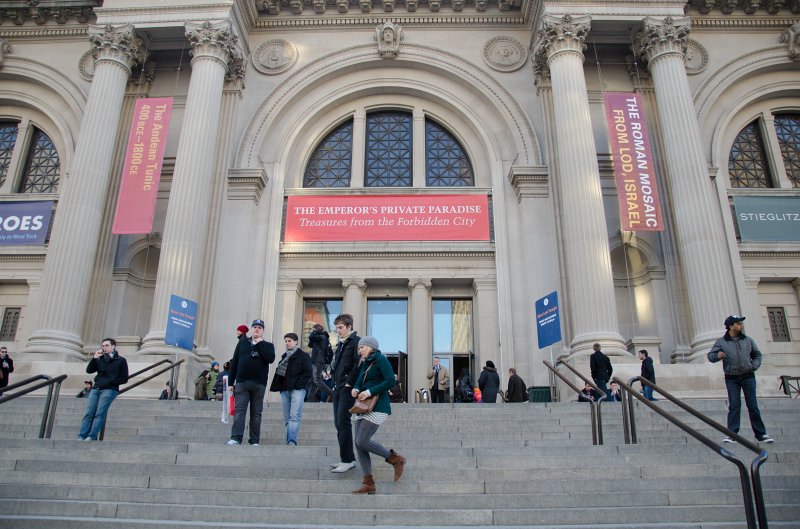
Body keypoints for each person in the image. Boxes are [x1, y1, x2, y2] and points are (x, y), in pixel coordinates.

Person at [350, 336, 406, 494]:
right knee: (359, 444)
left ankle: (396, 459)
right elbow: (360, 379)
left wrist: (370, 391)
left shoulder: (381, 360)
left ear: (370, 347)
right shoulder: (365, 362)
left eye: (362, 347)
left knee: (362, 440)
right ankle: (368, 483)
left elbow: (390, 380)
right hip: (363, 407)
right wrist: (356, 388)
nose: (359, 350)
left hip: (378, 406)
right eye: (359, 348)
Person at [708, 315, 773, 444]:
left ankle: (761, 434)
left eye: (741, 323)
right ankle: (732, 434)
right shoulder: (721, 342)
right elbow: (710, 356)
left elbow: (757, 355)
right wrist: (717, 356)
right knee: (734, 405)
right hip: (731, 378)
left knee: (753, 405)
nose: (741, 325)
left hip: (748, 376)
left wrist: (753, 366)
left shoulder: (748, 340)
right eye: (738, 323)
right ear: (731, 326)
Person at [226, 319, 276, 446]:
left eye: (260, 327)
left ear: (263, 331)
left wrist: (260, 343)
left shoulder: (268, 345)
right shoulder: (242, 343)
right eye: (255, 327)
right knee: (240, 411)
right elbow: (235, 362)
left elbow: (270, 358)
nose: (257, 329)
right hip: (242, 382)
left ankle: (254, 440)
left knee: (256, 413)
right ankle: (236, 438)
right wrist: (231, 383)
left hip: (259, 384)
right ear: (252, 329)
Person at [78, 338, 129, 441]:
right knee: (89, 413)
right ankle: (82, 435)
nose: (104, 347)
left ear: (113, 346)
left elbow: (124, 378)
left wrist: (111, 382)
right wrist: (95, 357)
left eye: (107, 345)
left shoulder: (121, 360)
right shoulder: (100, 358)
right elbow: (89, 370)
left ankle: (91, 436)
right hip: (96, 388)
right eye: (103, 346)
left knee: (99, 413)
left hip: (109, 389)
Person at [329, 313, 361, 473]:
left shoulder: (356, 342)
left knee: (343, 422)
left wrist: (350, 382)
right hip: (338, 387)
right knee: (338, 423)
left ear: (349, 327)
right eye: (336, 328)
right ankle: (348, 458)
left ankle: (347, 460)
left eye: (340, 327)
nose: (338, 330)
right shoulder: (341, 344)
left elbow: (358, 364)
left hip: (347, 389)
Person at [270, 332, 313, 446]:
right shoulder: (284, 356)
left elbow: (308, 372)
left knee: (294, 416)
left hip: (297, 390)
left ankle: (291, 441)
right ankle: (289, 440)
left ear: (296, 342)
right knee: (286, 417)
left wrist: (299, 384)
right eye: (285, 341)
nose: (287, 343)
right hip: (284, 389)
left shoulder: (303, 356)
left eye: (289, 341)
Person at [308, 323, 334, 402]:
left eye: (314, 329)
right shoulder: (317, 338)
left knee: (317, 380)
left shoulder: (323, 337)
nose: (313, 331)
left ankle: (332, 394)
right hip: (314, 361)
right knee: (312, 381)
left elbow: (311, 337)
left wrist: (316, 331)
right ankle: (310, 399)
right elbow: (310, 344)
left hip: (319, 362)